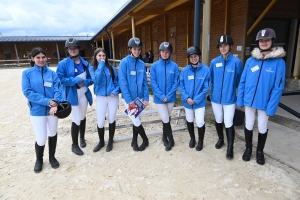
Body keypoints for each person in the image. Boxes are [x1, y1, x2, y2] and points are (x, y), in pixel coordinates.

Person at [237, 28, 286, 165]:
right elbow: (243, 81)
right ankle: (248, 149)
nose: (264, 43)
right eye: (261, 40)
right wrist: (240, 100)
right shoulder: (251, 61)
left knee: (262, 126)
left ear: (272, 41)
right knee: (248, 124)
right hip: (248, 101)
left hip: (265, 102)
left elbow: (278, 87)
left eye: (267, 40)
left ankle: (260, 151)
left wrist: (272, 107)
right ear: (258, 42)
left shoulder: (279, 63)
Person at [22, 47, 63, 173]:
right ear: (32, 59)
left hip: (53, 110)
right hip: (37, 111)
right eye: (38, 57)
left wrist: (55, 103)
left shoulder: (52, 73)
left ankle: (52, 157)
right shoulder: (27, 73)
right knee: (41, 138)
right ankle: (39, 159)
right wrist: (47, 102)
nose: (41, 60)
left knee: (52, 133)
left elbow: (58, 89)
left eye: (43, 57)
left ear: (46, 58)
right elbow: (28, 92)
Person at [56, 38, 93, 156]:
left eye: (75, 48)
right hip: (72, 94)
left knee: (82, 116)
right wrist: (75, 80)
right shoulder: (63, 64)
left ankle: (82, 138)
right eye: (70, 49)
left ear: (79, 49)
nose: (72, 50)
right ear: (67, 50)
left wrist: (85, 82)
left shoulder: (85, 63)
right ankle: (74, 144)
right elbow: (60, 79)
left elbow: (92, 79)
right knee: (76, 119)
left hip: (84, 93)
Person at [209, 34, 243, 159]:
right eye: (221, 46)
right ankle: (220, 139)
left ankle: (230, 147)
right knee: (218, 119)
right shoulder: (214, 62)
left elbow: (239, 79)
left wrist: (234, 92)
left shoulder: (236, 62)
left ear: (230, 46)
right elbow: (210, 79)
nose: (223, 48)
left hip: (229, 99)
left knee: (228, 122)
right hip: (216, 99)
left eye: (225, 46)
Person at [118, 37, 149, 151]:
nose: (137, 51)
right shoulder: (124, 63)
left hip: (140, 97)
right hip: (129, 98)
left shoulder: (141, 64)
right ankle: (145, 139)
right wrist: (129, 99)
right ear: (130, 49)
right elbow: (123, 82)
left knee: (136, 119)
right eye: (134, 49)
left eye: (139, 49)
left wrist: (146, 98)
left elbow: (145, 82)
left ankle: (134, 140)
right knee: (136, 120)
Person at [150, 42, 180, 151]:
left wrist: (168, 95)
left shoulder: (175, 66)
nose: (165, 54)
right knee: (165, 117)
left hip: (170, 97)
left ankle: (164, 137)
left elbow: (176, 82)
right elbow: (153, 82)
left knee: (166, 117)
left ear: (170, 53)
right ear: (160, 52)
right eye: (163, 51)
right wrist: (161, 96)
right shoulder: (154, 66)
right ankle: (171, 139)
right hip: (159, 98)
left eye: (167, 52)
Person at [180, 46, 210, 151]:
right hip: (187, 101)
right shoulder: (185, 71)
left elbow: (206, 87)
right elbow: (181, 85)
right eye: (191, 57)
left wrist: (196, 99)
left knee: (200, 121)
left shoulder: (206, 70)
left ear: (199, 56)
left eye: (195, 56)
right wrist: (187, 97)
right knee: (189, 120)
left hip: (199, 102)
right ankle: (192, 138)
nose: (194, 58)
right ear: (189, 58)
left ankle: (200, 140)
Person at [89, 48, 120, 152]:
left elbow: (117, 82)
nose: (102, 58)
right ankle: (101, 141)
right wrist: (101, 66)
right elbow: (96, 80)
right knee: (101, 121)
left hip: (112, 97)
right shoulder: (92, 68)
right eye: (99, 55)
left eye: (103, 56)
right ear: (95, 57)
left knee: (111, 118)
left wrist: (115, 91)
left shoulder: (111, 68)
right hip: (101, 97)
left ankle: (110, 141)